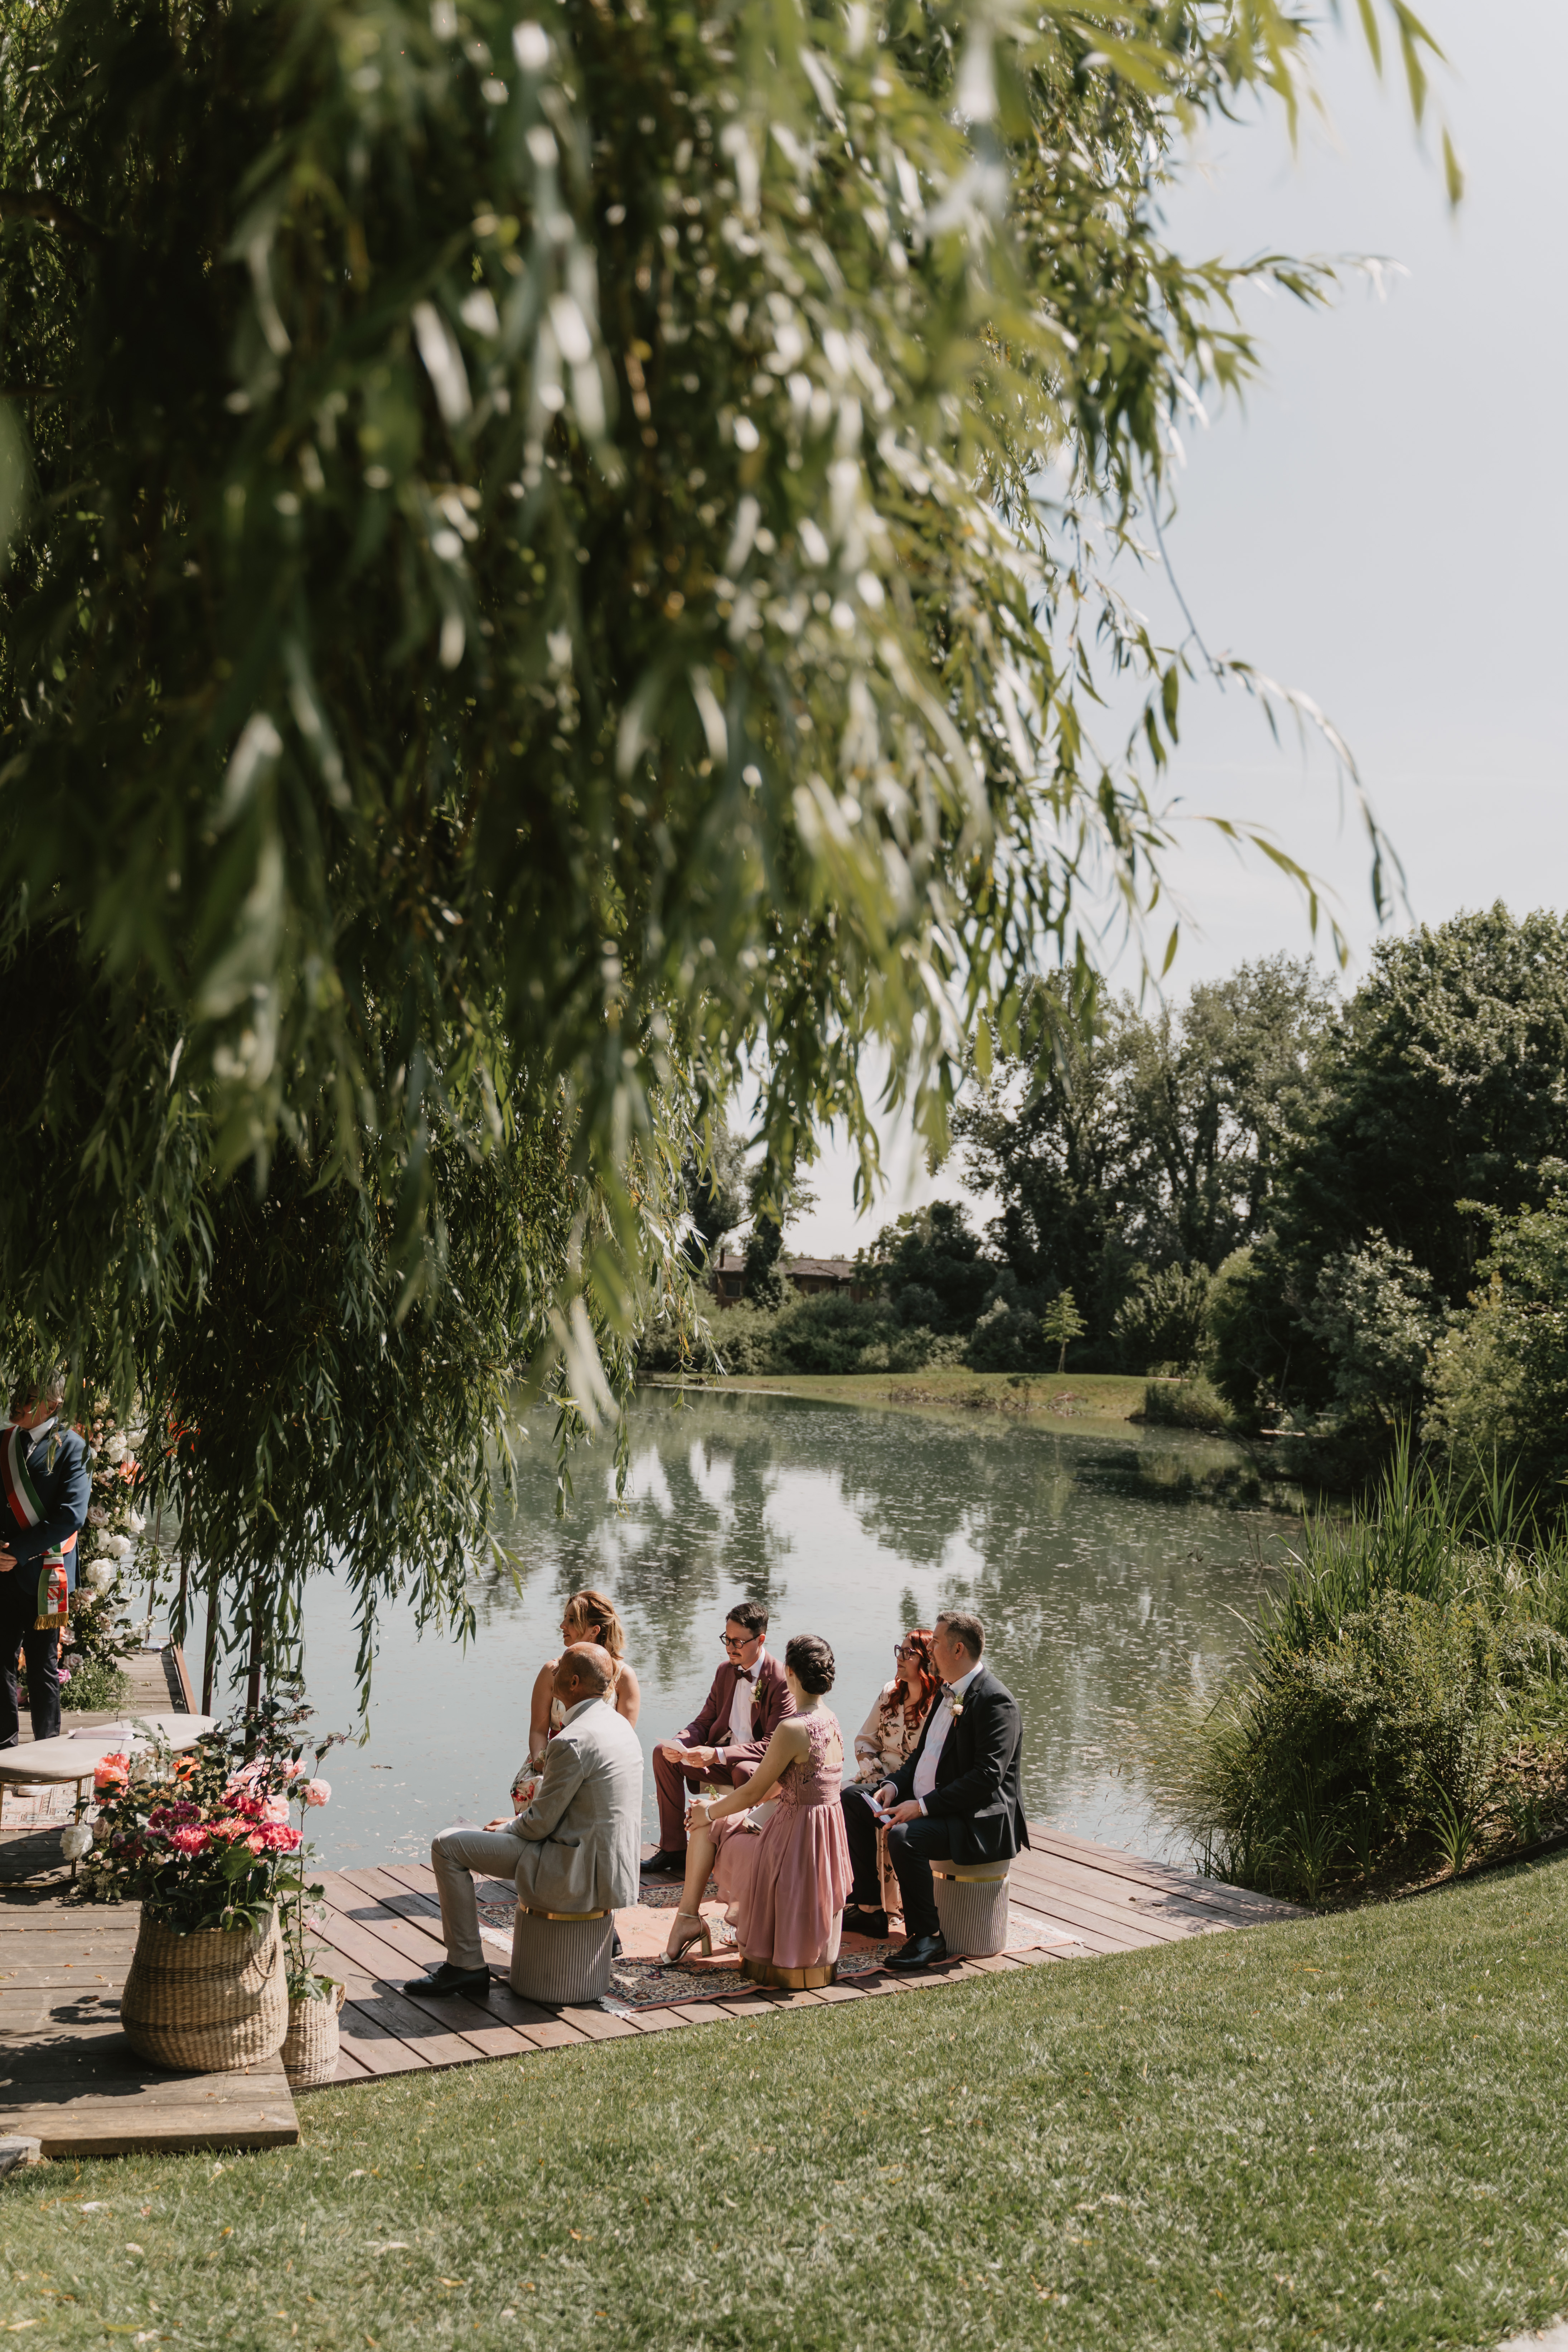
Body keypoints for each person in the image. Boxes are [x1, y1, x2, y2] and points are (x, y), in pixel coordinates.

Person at [411, 1642, 643, 1998]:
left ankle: (465, 1965)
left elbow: (538, 1826)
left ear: (575, 1682)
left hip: (571, 1868)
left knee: (447, 1845)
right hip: (610, 1869)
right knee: (477, 1838)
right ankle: (466, 1965)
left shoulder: (572, 1741)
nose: (553, 1669)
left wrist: (505, 1827)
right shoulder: (619, 1727)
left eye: (560, 1666)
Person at [841, 1610, 1027, 1972]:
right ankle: (870, 1910)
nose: (930, 1652)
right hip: (942, 1806)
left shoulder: (995, 1702)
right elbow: (922, 1758)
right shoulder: (949, 1694)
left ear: (958, 1650)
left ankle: (927, 1937)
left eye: (937, 1643)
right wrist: (894, 1787)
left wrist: (922, 1807)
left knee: (907, 1837)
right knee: (853, 1799)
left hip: (978, 1819)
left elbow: (986, 1778)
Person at [663, 1633, 851, 1985]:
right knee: (719, 1814)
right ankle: (693, 1920)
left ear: (791, 1673)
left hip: (792, 1846)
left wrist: (709, 1812)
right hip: (823, 1844)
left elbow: (753, 1793)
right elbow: (796, 1783)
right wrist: (722, 1807)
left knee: (707, 1823)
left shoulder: (793, 1728)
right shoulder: (831, 1719)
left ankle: (688, 1919)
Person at [642, 1598, 793, 1878]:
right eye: (727, 1639)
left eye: (738, 1642)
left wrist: (718, 1755)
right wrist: (680, 1744)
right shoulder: (725, 1671)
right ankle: (675, 1850)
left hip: (758, 1768)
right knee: (661, 1753)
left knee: (744, 1769)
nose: (729, 1648)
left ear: (760, 1639)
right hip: (722, 1759)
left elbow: (773, 1745)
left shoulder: (781, 1679)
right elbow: (704, 1721)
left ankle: (738, 1851)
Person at [0, 1371, 91, 1748]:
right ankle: (5, 1754)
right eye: (17, 1391)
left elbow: (72, 1515)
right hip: (2, 1573)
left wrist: (18, 1553)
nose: (18, 1400)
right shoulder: (4, 1443)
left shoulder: (73, 1448)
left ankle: (45, 1759)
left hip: (45, 1575)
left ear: (52, 1405)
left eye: (29, 1395)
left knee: (42, 1668)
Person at [844, 1627, 941, 1932]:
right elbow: (864, 1739)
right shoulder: (890, 1692)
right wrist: (876, 1776)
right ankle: (866, 1905)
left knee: (860, 1802)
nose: (900, 1657)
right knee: (846, 1795)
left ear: (926, 1661)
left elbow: (930, 1764)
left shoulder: (938, 1706)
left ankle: (883, 1908)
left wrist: (894, 1784)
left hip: (914, 1789)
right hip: (878, 1778)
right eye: (899, 1650)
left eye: (909, 1653)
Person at [513, 1588, 640, 1806]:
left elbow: (623, 1740)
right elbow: (537, 1730)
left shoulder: (623, 1677)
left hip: (597, 1767)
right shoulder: (552, 1671)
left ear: (594, 1630)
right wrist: (543, 1763)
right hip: (550, 1763)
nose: (563, 1626)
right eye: (565, 1618)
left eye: (571, 1620)